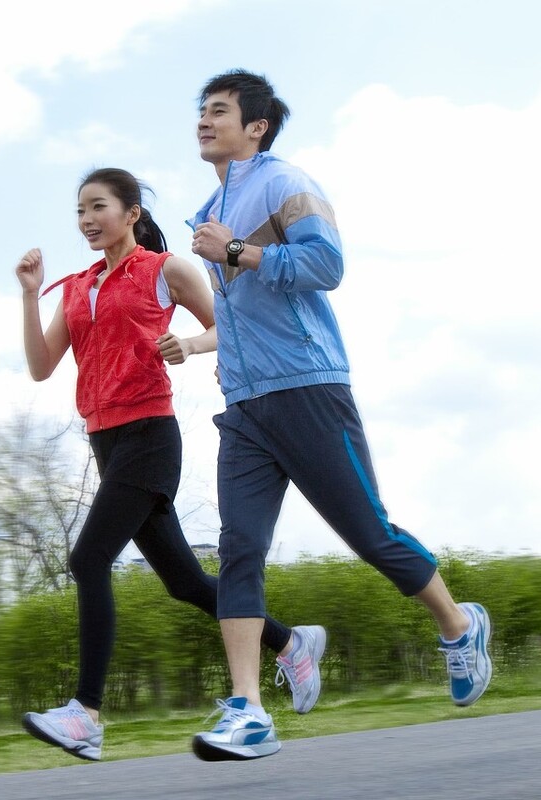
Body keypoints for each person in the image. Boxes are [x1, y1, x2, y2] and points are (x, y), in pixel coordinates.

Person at [185, 70, 492, 763]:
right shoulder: (208, 207)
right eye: (201, 111)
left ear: (256, 126)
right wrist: (225, 354)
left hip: (308, 388)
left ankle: (456, 624)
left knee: (369, 533)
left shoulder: (286, 182)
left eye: (219, 110)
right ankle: (248, 710)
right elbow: (241, 310)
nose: (204, 121)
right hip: (246, 406)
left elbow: (326, 265)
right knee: (239, 549)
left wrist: (234, 250)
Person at [15, 167, 327, 762]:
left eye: (98, 207)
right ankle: (291, 644)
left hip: (149, 438)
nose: (86, 220)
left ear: (131, 213)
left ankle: (86, 715)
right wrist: (30, 296)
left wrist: (189, 345)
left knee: (87, 559)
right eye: (80, 210)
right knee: (185, 583)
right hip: (106, 442)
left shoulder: (163, 270)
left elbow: (227, 325)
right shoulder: (77, 288)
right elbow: (40, 366)